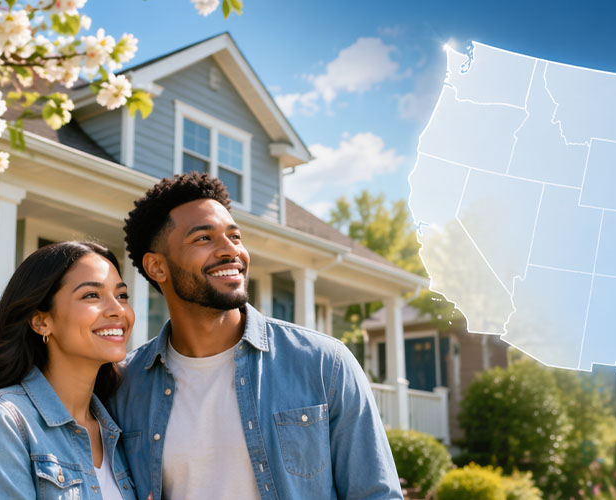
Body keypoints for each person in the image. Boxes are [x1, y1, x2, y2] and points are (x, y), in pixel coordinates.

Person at [110, 173, 402, 500]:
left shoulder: (323, 364)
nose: (230, 251)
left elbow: (377, 494)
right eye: (203, 238)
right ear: (157, 267)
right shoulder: (125, 385)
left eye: (234, 236)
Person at [0, 241, 138, 499]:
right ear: (41, 321)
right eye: (91, 295)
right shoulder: (0, 420)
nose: (118, 310)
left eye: (121, 296)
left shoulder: (117, 428)